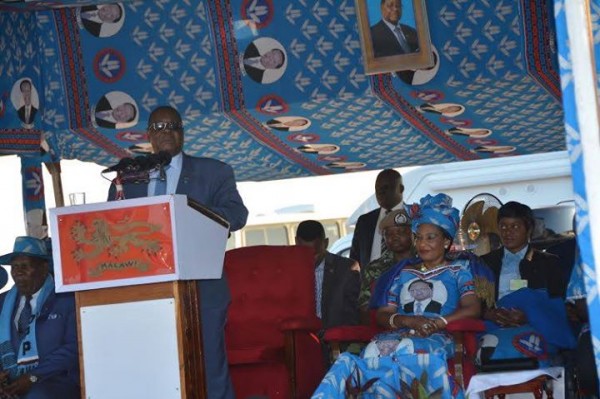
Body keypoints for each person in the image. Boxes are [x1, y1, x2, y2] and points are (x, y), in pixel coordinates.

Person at [107, 105, 248, 399]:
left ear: (182, 133)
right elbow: (111, 228)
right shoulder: (128, 176)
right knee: (156, 369)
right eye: (158, 127)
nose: (166, 131)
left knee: (209, 367)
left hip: (202, 289)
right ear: (148, 136)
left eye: (173, 126)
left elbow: (237, 214)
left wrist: (189, 214)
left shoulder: (214, 172)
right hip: (145, 290)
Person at [312, 194, 484, 398]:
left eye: (431, 237)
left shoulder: (458, 271)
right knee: (369, 351)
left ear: (446, 241)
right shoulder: (403, 273)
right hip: (401, 331)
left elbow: (473, 308)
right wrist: (407, 320)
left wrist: (439, 323)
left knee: (405, 348)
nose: (423, 243)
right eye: (418, 237)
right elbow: (384, 314)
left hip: (439, 335)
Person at [478, 201, 573, 367]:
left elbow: (559, 305)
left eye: (515, 226)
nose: (508, 232)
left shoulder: (548, 263)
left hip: (535, 325)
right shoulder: (484, 263)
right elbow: (473, 301)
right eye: (503, 226)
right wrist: (489, 314)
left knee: (529, 299)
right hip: (494, 324)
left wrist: (528, 315)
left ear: (528, 229)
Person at [0, 236, 80, 399]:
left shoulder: (66, 299)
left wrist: (33, 376)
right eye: (14, 267)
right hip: (11, 383)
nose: (18, 272)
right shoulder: (2, 302)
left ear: (44, 268)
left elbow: (74, 347)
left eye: (25, 266)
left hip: (56, 382)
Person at [295, 220, 360, 329]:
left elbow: (352, 315)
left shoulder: (346, 269)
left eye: (315, 254)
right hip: (300, 336)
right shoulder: (288, 270)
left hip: (335, 338)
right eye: (305, 253)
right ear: (296, 242)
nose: (310, 259)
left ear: (325, 243)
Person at [358, 208, 413, 324]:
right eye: (389, 234)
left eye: (401, 232)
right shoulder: (374, 268)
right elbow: (364, 307)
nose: (394, 237)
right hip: (386, 325)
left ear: (412, 234)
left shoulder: (426, 261)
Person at [350, 169, 404, 271]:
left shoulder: (415, 216)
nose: (380, 192)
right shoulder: (364, 222)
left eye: (386, 187)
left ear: (400, 189)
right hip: (370, 284)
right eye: (377, 188)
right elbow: (354, 259)